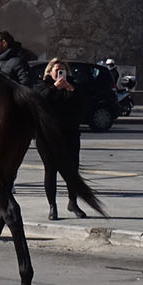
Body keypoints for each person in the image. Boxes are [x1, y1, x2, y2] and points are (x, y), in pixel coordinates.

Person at [37, 58, 88, 220]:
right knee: (50, 170)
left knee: (72, 170)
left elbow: (83, 105)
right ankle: (52, 205)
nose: (59, 73)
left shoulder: (74, 86)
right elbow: (39, 101)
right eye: (56, 70)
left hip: (70, 134)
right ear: (50, 72)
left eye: (62, 70)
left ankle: (73, 202)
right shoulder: (43, 86)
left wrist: (71, 89)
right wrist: (54, 88)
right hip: (47, 137)